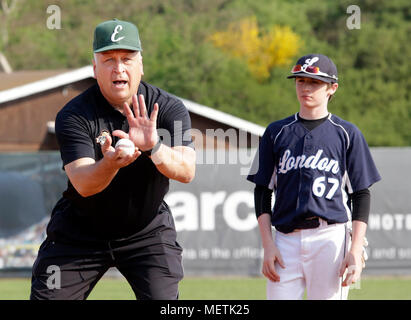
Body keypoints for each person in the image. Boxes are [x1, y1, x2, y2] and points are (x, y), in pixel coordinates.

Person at [30, 19, 196, 300]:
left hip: (146, 231)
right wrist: (111, 163)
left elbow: (186, 170)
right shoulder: (74, 115)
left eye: (127, 58)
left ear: (141, 65)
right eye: (108, 60)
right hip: (79, 232)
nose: (119, 68)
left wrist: (154, 145)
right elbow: (83, 183)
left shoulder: (168, 108)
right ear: (95, 69)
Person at [247, 53, 381, 300]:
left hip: (329, 238)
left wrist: (355, 247)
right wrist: (267, 244)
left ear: (332, 88)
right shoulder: (276, 132)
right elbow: (262, 191)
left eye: (315, 82)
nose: (306, 87)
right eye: (300, 80)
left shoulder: (347, 134)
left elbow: (361, 193)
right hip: (285, 240)